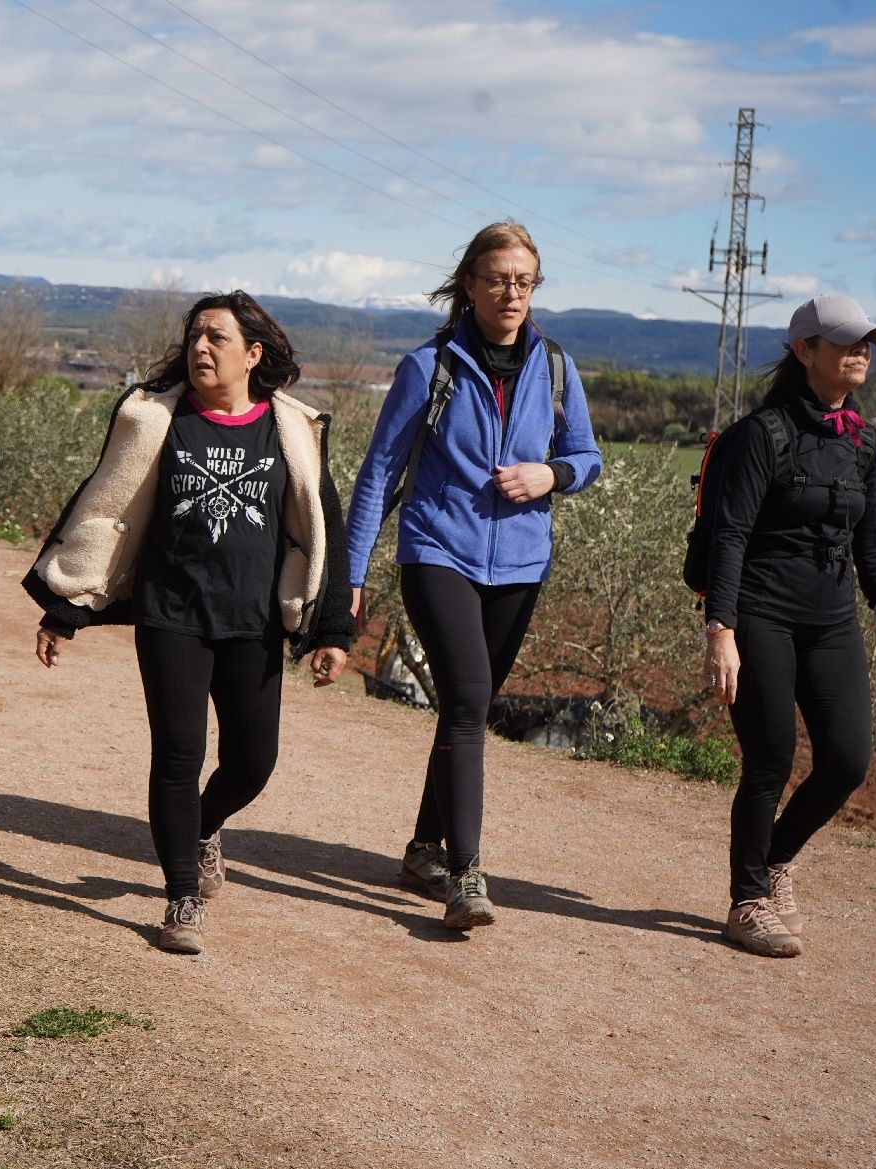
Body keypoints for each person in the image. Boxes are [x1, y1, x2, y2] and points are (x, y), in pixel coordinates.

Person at [24, 290, 355, 955]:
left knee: (253, 761)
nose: (200, 347)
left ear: (253, 354)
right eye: (194, 335)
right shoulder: (159, 420)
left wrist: (332, 631)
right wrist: (67, 609)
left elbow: (325, 533)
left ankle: (202, 828)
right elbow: (106, 512)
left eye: (217, 338)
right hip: (172, 612)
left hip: (253, 620)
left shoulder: (289, 431)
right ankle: (180, 893)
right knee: (179, 755)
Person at [344, 220, 602, 932]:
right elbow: (377, 476)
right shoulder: (429, 368)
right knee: (468, 695)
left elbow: (587, 457)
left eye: (524, 280)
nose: (511, 292)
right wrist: (352, 572)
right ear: (470, 284)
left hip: (521, 563)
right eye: (498, 279)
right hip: (437, 551)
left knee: (469, 704)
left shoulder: (555, 367)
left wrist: (549, 472)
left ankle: (424, 846)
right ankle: (466, 874)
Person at [704, 292, 876, 958]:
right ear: (805, 351)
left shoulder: (865, 441)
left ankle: (775, 860)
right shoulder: (760, 435)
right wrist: (721, 630)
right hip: (760, 613)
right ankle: (747, 902)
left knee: (848, 758)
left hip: (830, 622)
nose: (862, 352)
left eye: (868, 344)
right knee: (769, 758)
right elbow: (730, 536)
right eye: (848, 342)